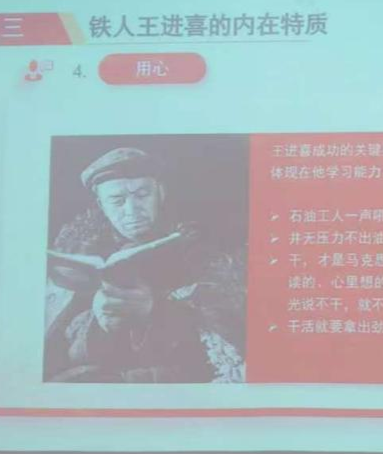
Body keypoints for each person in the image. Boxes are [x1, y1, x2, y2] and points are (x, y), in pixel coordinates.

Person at [44, 147, 247, 383]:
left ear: (160, 192)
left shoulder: (205, 252)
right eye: (117, 201)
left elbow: (225, 342)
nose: (132, 211)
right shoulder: (78, 256)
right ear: (101, 204)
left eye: (142, 195)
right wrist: (98, 322)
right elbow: (61, 352)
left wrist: (154, 312)